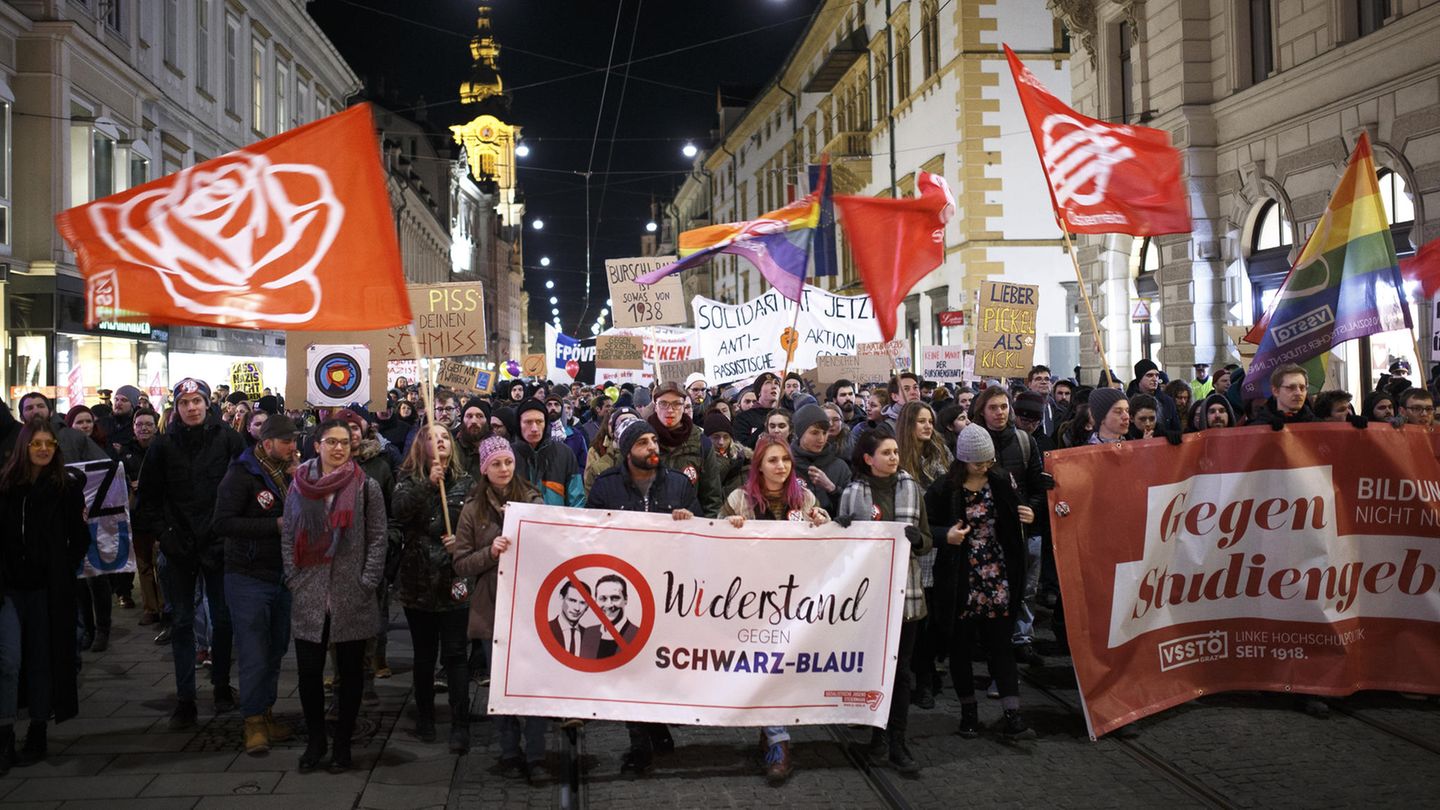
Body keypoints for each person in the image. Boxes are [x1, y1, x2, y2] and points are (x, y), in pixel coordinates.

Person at [587, 420, 701, 774]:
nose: (653, 447)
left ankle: (657, 724)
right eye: (643, 443)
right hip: (627, 592)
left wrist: (689, 520)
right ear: (627, 451)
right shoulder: (606, 487)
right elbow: (589, 536)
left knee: (660, 666)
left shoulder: (680, 485)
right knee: (630, 668)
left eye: (654, 441)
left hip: (668, 592)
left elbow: (701, 534)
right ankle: (639, 746)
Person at [719, 435, 830, 784]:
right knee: (765, 666)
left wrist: (823, 521)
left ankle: (773, 734)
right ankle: (779, 740)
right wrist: (729, 526)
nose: (780, 466)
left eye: (785, 460)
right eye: (772, 460)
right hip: (752, 599)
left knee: (781, 667)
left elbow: (822, 545)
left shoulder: (805, 497)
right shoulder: (739, 499)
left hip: (793, 598)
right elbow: (713, 546)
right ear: (759, 466)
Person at [135, 378, 245, 729]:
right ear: (176, 408)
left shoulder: (228, 439)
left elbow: (244, 487)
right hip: (177, 548)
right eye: (185, 403)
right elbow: (148, 502)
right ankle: (185, 698)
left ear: (207, 403)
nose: (192, 408)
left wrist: (227, 531)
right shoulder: (162, 447)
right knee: (182, 622)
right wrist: (166, 536)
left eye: (197, 401)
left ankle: (222, 686)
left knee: (223, 621)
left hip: (218, 544)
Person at [282, 418, 387, 773]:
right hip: (309, 591)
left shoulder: (365, 486)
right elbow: (288, 535)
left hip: (350, 592)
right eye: (331, 442)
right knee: (309, 673)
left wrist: (366, 581)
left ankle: (343, 744)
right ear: (317, 445)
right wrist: (294, 578)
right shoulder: (298, 485)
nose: (339, 448)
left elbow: (378, 537)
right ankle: (316, 741)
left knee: (350, 674)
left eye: (344, 442)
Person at [927, 423, 1037, 740]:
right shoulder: (945, 488)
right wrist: (944, 536)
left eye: (988, 461)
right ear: (963, 461)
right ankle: (968, 714)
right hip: (961, 577)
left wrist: (1029, 516)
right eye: (978, 463)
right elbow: (925, 526)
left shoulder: (1001, 481)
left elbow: (1017, 516)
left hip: (997, 574)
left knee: (1000, 645)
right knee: (960, 647)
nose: (985, 467)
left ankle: (1012, 713)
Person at [448, 434, 546, 778]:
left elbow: (550, 546)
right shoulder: (472, 510)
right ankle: (509, 751)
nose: (503, 469)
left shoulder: (534, 499)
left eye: (507, 462)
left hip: (529, 606)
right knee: (502, 685)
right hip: (492, 608)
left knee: (531, 684)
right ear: (484, 468)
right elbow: (460, 563)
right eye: (496, 464)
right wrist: (490, 551)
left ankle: (536, 754)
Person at [835, 430, 931, 775]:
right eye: (886, 452)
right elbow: (841, 551)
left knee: (901, 673)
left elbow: (927, 541)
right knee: (876, 671)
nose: (894, 457)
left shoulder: (912, 489)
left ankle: (898, 741)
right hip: (868, 600)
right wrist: (841, 528)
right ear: (868, 458)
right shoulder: (852, 493)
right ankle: (877, 736)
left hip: (906, 596)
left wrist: (918, 539)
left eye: (895, 451)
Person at [0, 418, 90, 768]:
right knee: (8, 660)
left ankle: (38, 730)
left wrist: (62, 567)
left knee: (40, 660)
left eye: (48, 444)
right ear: (24, 448)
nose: (41, 449)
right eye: (36, 443)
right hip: (8, 588)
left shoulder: (63, 489)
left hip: (44, 589)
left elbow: (80, 538)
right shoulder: (6, 487)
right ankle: (5, 733)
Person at [215, 414, 300, 755]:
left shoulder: (289, 473)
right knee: (253, 651)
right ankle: (252, 722)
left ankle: (266, 712)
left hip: (282, 574)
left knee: (276, 648)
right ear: (266, 444)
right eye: (286, 442)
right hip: (247, 575)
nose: (293, 447)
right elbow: (222, 523)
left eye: (294, 441)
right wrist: (273, 526)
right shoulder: (241, 474)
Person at [390, 424, 474, 751]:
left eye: (444, 437)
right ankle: (424, 716)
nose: (440, 441)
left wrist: (463, 541)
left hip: (453, 579)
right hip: (418, 580)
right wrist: (427, 485)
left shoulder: (466, 482)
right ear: (419, 446)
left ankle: (460, 722)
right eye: (432, 437)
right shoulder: (407, 481)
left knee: (455, 654)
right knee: (424, 655)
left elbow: (476, 522)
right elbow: (398, 511)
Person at [120, 408, 164, 626]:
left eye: (148, 424)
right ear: (133, 427)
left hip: (160, 515)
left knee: (162, 563)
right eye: (140, 424)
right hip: (137, 516)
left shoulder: (163, 448)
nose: (144, 428)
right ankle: (150, 608)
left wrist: (147, 485)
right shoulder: (125, 453)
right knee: (144, 564)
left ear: (156, 426)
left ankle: (166, 606)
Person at [649, 381, 720, 516]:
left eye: (676, 404)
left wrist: (708, 529)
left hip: (689, 525)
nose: (670, 410)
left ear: (684, 406)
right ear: (655, 406)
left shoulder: (701, 442)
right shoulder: (641, 440)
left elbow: (712, 497)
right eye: (663, 404)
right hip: (651, 526)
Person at [513, 401, 584, 508]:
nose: (534, 429)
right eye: (528, 422)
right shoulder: (509, 455)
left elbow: (576, 499)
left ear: (546, 423)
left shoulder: (564, 453)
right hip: (518, 522)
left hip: (557, 521)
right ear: (519, 423)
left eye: (539, 422)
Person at [790, 404, 852, 516]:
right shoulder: (786, 464)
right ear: (800, 433)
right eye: (815, 433)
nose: (821, 439)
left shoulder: (840, 467)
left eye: (825, 432)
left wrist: (832, 489)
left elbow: (851, 509)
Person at [701, 409, 750, 500]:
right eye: (716, 437)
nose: (721, 442)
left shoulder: (744, 461)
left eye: (726, 437)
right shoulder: (700, 462)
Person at [1251, 363, 1316, 427]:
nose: (1298, 393)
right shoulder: (1256, 429)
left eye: (1302, 388)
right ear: (1275, 391)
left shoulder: (1318, 425)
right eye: (1291, 388)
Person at [1129, 360, 1180, 433]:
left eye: (1157, 375)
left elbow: (1176, 428)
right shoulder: (1128, 402)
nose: (1155, 379)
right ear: (1140, 378)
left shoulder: (1167, 401)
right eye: (1149, 375)